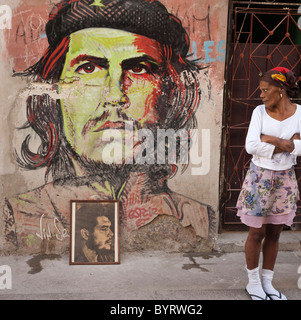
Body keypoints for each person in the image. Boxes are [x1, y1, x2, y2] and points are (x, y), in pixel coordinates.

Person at [2, 0, 214, 254]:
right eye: (88, 68)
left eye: (138, 68)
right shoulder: (18, 216)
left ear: (169, 95)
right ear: (54, 93)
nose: (114, 95)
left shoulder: (199, 219)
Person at [236, 67, 301, 300]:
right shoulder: (259, 112)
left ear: (281, 91)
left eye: (265, 90)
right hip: (259, 177)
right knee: (256, 232)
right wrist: (287, 143)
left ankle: (268, 283)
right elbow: (251, 146)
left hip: (284, 180)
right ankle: (253, 283)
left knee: (275, 233)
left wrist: (268, 139)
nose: (261, 95)